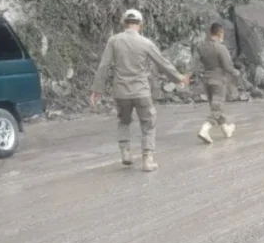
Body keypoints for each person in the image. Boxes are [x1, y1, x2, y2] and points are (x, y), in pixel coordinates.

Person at [90, 9, 188, 172]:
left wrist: (97, 89)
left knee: (124, 121)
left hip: (121, 92)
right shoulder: (146, 43)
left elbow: (103, 66)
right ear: (140, 25)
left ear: (124, 23)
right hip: (141, 91)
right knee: (148, 124)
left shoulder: (114, 41)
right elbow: (163, 64)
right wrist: (179, 78)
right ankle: (147, 160)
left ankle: (126, 152)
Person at [195, 22, 241, 144]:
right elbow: (227, 66)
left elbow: (193, 63)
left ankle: (226, 129)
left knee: (216, 107)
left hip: (207, 82)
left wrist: (187, 76)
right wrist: (235, 72)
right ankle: (204, 129)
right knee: (217, 108)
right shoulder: (221, 48)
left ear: (210, 33)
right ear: (221, 33)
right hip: (218, 81)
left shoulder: (201, 47)